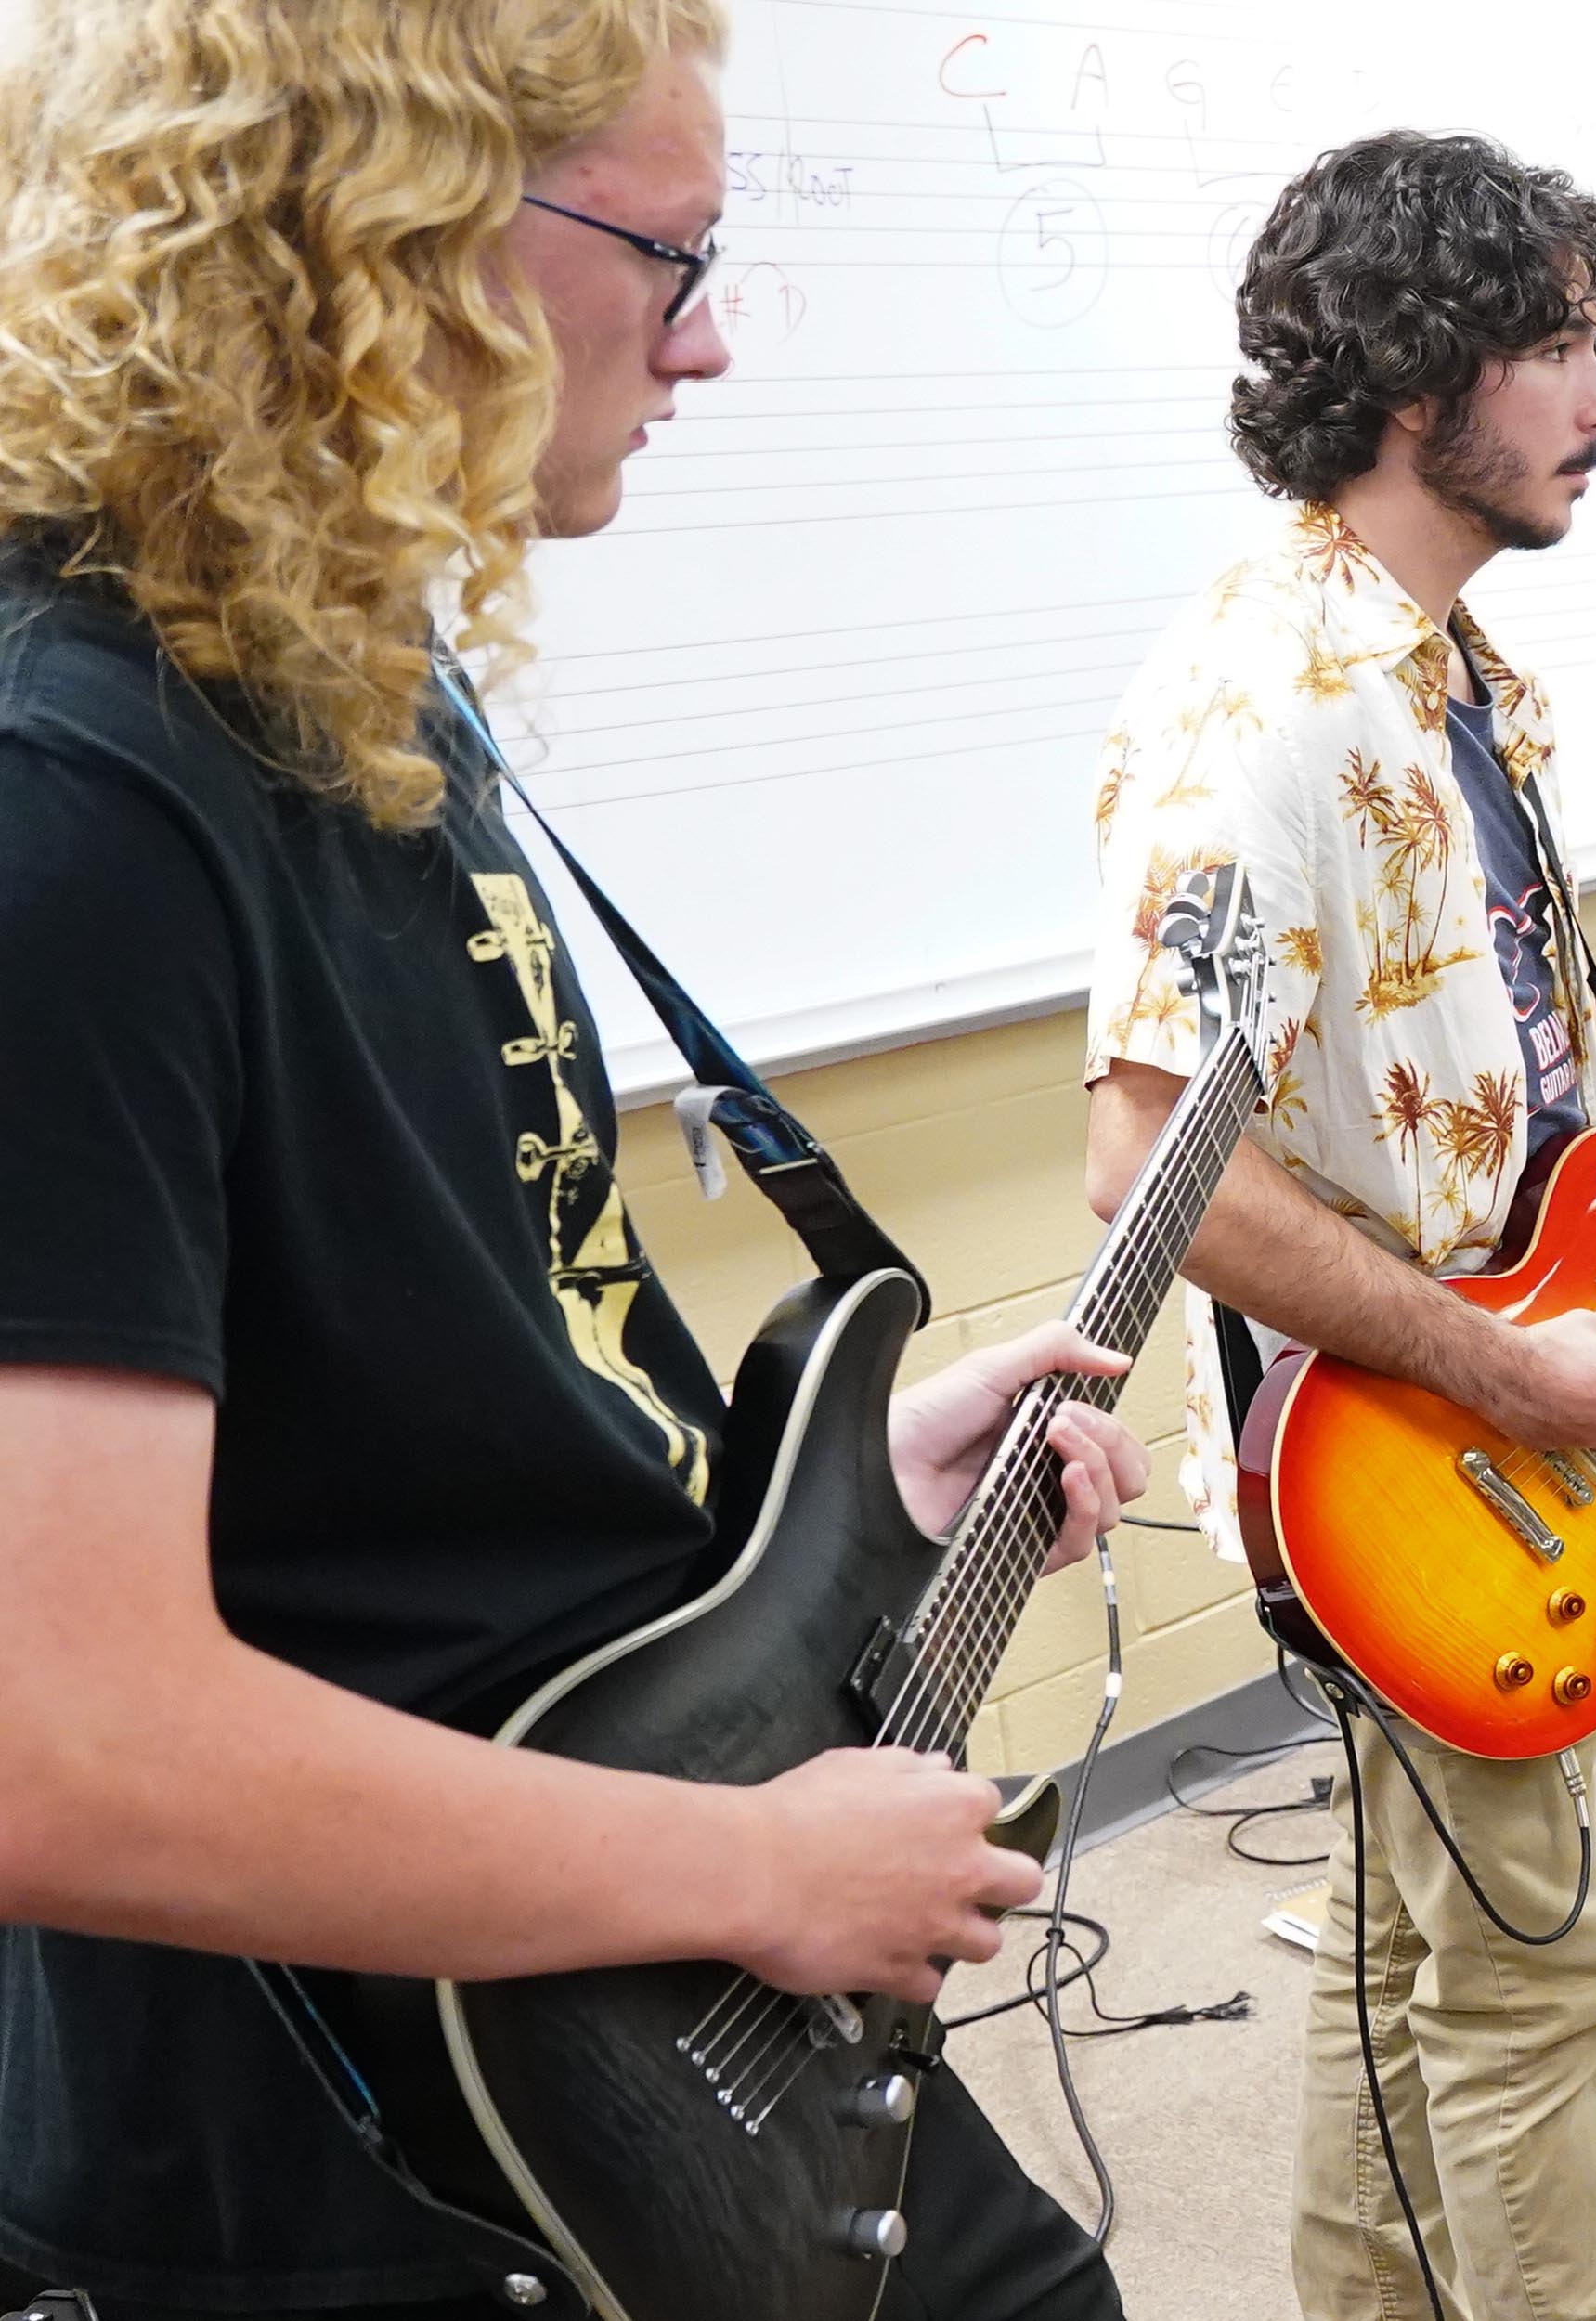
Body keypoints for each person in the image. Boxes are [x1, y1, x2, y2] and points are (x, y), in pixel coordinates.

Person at [0, 6, 1156, 2315]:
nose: (705, 340)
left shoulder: (355, 679)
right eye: (674, 250)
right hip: (370, 2142)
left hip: (622, 1999)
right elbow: (67, 1738)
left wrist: (836, 1514)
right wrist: (740, 1871)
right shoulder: (77, 800)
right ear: (402, 236)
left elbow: (435, 1399)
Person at [1071, 132, 1596, 2321]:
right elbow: (1148, 1162)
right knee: (1534, 1982)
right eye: (1560, 349)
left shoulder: (1447, 683)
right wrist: (1498, 1368)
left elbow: (1516, 1058)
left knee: (1404, 1960)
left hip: (1477, 1419)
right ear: (1408, 373)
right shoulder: (1261, 708)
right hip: (1407, 1457)